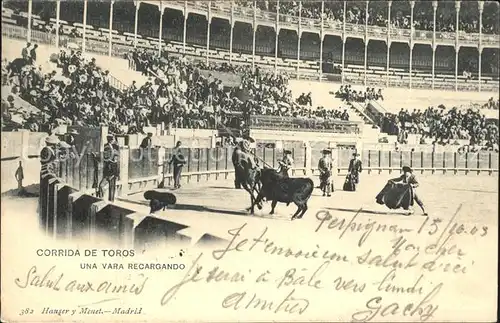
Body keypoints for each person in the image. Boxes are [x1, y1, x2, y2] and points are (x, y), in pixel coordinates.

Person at [98, 134, 120, 202]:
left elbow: (115, 161)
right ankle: (103, 200)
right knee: (103, 186)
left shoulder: (114, 146)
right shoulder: (107, 146)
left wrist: (116, 174)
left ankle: (110, 201)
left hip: (112, 171)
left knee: (111, 187)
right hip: (108, 171)